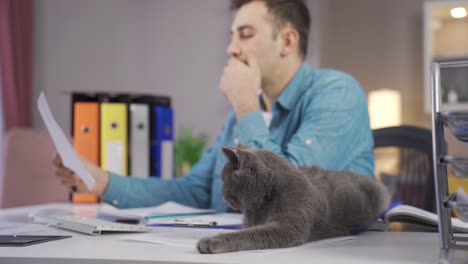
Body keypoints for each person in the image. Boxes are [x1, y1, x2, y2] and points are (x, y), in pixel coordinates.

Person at [53, 0, 374, 212]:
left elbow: (287, 197)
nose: (232, 49)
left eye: (245, 35)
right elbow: (192, 192)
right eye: (232, 36)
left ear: (288, 42)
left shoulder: (338, 92)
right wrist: (103, 182)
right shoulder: (245, 113)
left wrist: (245, 103)